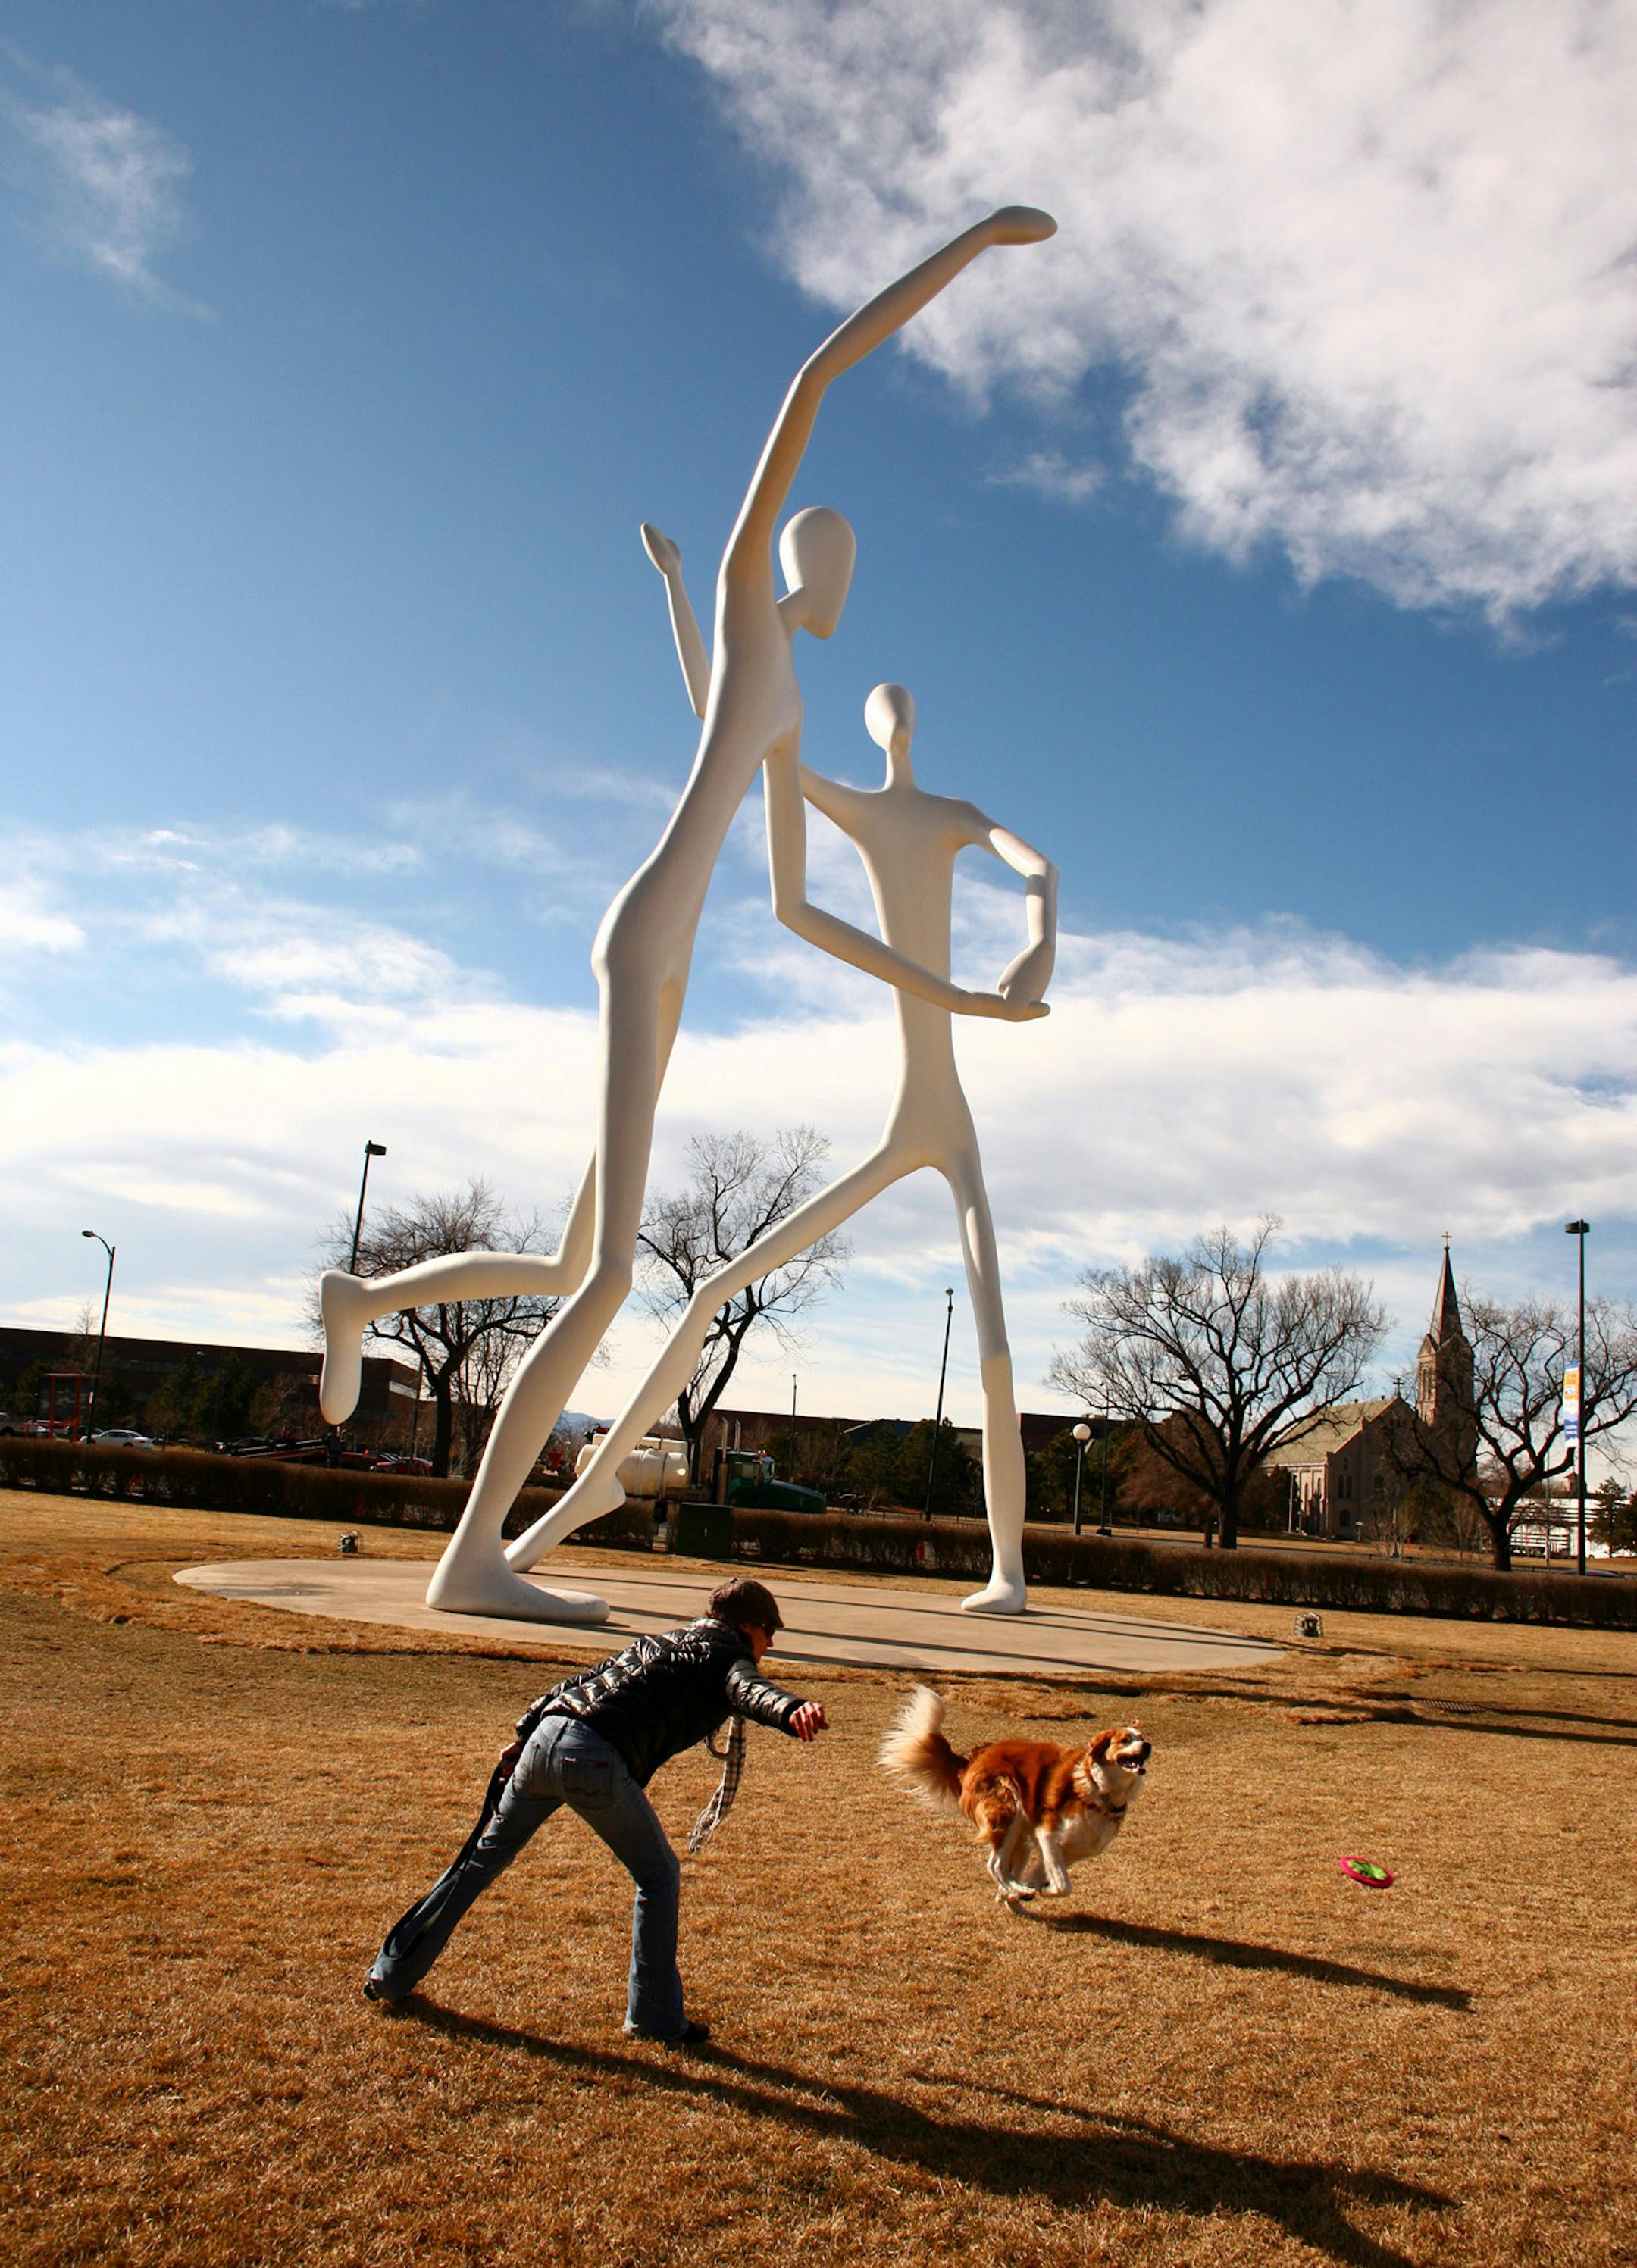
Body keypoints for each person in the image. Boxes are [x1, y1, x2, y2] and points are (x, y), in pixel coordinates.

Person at [315, 205, 1057, 1623]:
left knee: (556, 1259)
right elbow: (813, 384)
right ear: (802, 563)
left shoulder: (772, 699)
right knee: (600, 1276)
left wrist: (956, 1001)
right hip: (647, 931)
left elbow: (790, 904)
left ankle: (366, 1298)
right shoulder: (753, 603)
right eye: (833, 561)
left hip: (677, 957)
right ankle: (475, 1561)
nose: (844, 588)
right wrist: (970, 248)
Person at [506, 676, 1056, 1613]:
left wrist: (1039, 941)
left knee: (996, 1346)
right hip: (906, 1119)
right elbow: (739, 724)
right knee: (718, 1286)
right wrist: (704, 613)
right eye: (886, 711)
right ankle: (584, 1494)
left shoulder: (956, 814)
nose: (897, 723)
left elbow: (1038, 865)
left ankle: (1007, 1570)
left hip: (947, 1115)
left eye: (902, 710)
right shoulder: (847, 802)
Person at [362, 1577, 825, 2044]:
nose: (771, 1643)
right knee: (659, 1874)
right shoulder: (730, 1657)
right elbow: (752, 1691)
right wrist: (793, 1710)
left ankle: (389, 1976)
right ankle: (655, 2019)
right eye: (770, 1632)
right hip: (593, 1758)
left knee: (478, 1863)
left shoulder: (661, 1639)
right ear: (747, 1626)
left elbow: (580, 1681)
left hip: (546, 1740)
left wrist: (524, 1735)